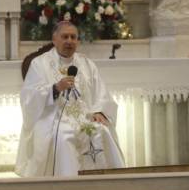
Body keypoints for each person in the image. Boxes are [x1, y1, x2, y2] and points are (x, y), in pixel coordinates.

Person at [16, 21, 125, 176]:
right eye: (65, 36)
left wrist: (100, 112)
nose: (69, 41)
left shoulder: (87, 64)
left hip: (85, 117)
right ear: (54, 40)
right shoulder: (40, 64)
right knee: (63, 137)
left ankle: (103, 187)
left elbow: (102, 93)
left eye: (73, 37)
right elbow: (29, 97)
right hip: (54, 118)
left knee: (101, 131)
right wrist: (55, 88)